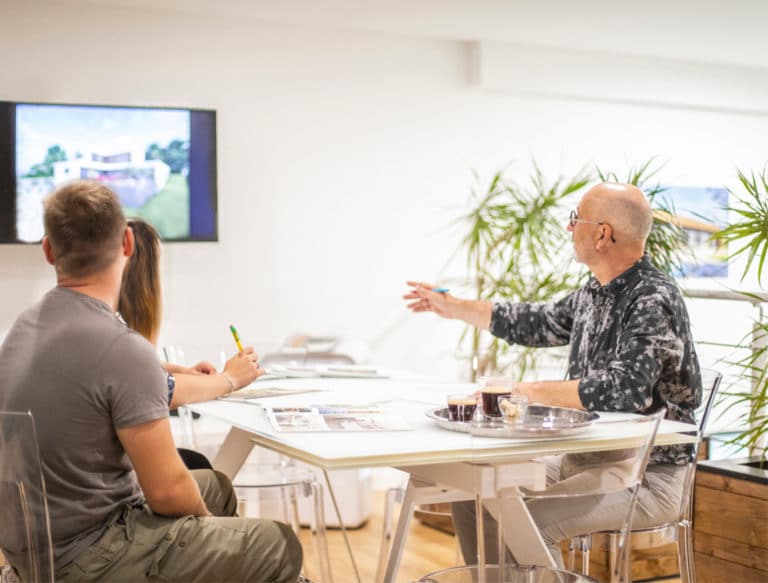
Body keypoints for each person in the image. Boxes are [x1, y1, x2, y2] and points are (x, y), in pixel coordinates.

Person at [0, 181, 303, 582]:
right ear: (127, 242)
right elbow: (168, 492)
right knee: (278, 544)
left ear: (48, 249)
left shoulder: (23, 330)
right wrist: (208, 532)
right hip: (89, 556)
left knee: (216, 485)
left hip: (35, 548)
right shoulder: (122, 348)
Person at [404, 181, 702, 566]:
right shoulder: (595, 293)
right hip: (586, 461)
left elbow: (623, 390)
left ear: (602, 234)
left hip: (648, 474)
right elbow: (534, 321)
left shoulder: (652, 298)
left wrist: (522, 391)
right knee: (474, 492)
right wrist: (451, 306)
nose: (569, 227)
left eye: (575, 219)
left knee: (524, 520)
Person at [119, 217, 264, 407]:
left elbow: (135, 367)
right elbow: (156, 390)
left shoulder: (106, 326)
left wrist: (181, 372)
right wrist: (230, 378)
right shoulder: (114, 333)